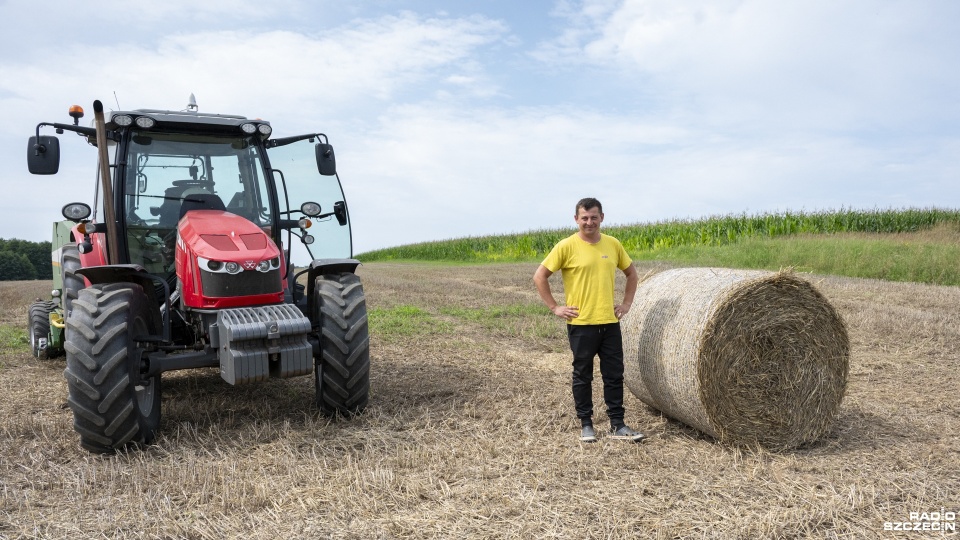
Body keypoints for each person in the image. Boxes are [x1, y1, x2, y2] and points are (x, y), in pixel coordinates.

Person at [533, 198, 645, 443]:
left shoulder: (613, 244)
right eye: (584, 217)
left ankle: (618, 424)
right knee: (582, 375)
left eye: (594, 217)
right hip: (581, 324)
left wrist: (626, 304)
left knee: (614, 375)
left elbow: (632, 274)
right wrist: (554, 307)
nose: (589, 222)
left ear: (602, 217)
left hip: (609, 322)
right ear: (576, 219)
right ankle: (586, 424)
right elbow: (540, 276)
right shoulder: (566, 246)